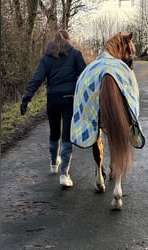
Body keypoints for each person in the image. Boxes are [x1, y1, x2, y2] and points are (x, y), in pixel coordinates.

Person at [20, 30, 86, 187]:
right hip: (69, 99)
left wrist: (26, 97)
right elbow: (85, 76)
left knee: (54, 132)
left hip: (53, 99)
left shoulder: (47, 57)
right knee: (67, 135)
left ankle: (53, 163)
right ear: (68, 40)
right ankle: (64, 174)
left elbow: (37, 77)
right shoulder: (75, 54)